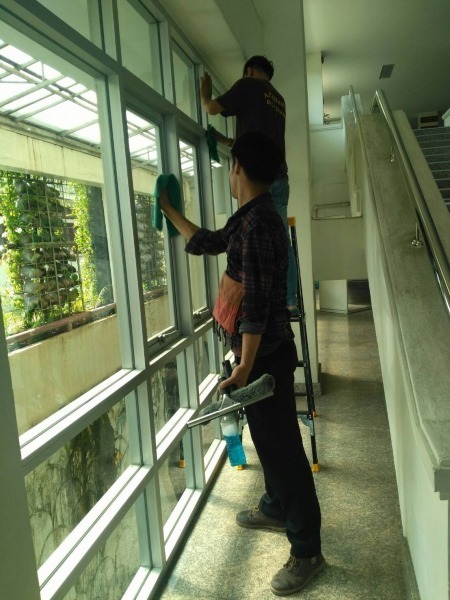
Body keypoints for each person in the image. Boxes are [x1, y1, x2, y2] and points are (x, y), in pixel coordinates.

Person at [157, 132, 324, 596]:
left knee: (284, 451)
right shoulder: (250, 217)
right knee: (268, 442)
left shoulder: (259, 226)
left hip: (265, 359)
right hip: (259, 357)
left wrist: (244, 365)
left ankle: (307, 550)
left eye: (229, 167)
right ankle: (275, 505)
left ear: (238, 168)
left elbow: (254, 307)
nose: (228, 174)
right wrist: (170, 210)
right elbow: (209, 242)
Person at [200, 55, 299, 313]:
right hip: (280, 177)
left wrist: (205, 96)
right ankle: (289, 299)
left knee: (248, 237)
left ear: (249, 71)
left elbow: (212, 108)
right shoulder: (278, 100)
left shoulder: (248, 85)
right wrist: (226, 141)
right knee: (280, 239)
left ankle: (253, 302)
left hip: (256, 179)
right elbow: (260, 140)